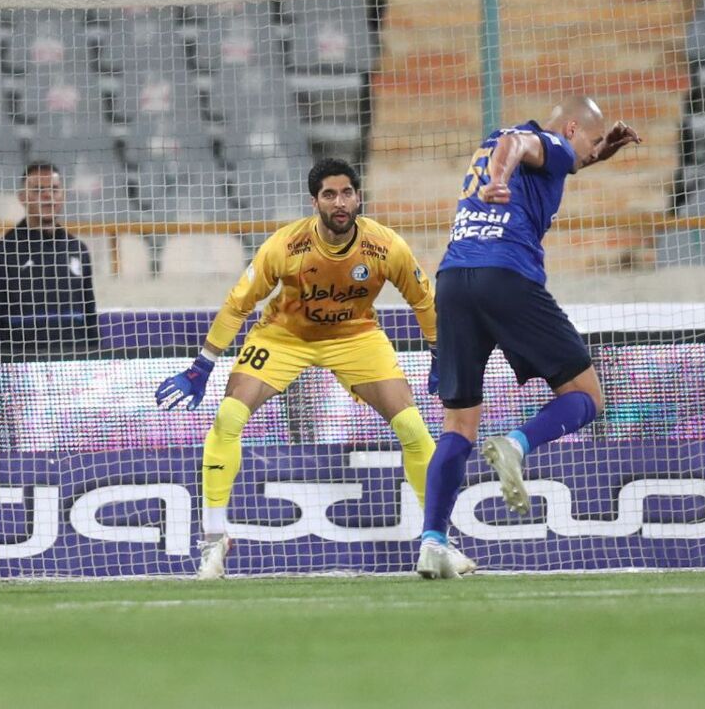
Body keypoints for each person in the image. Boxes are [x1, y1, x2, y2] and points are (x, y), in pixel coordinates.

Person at [156, 157, 473, 579]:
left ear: (358, 197)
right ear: (314, 202)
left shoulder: (386, 246)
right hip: (284, 337)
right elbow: (239, 304)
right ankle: (215, 540)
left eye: (346, 193)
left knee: (413, 429)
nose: (339, 202)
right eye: (329, 195)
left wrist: (439, 352)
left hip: (356, 338)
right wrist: (202, 365)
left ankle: (438, 541)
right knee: (229, 416)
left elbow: (423, 300)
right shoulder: (285, 246)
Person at [416, 96, 641, 579]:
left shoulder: (500, 143)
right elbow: (526, 145)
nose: (591, 152)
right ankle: (518, 444)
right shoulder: (541, 143)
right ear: (574, 128)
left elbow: (536, 151)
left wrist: (600, 154)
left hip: (454, 280)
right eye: (594, 141)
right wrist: (500, 180)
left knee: (457, 426)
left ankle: (433, 541)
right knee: (585, 395)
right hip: (507, 275)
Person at [0, 162, 100, 356]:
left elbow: (89, 311)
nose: (48, 196)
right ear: (22, 197)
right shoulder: (2, 252)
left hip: (73, 367)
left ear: (63, 196)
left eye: (54, 190)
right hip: (20, 367)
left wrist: (94, 356)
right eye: (39, 190)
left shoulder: (77, 249)